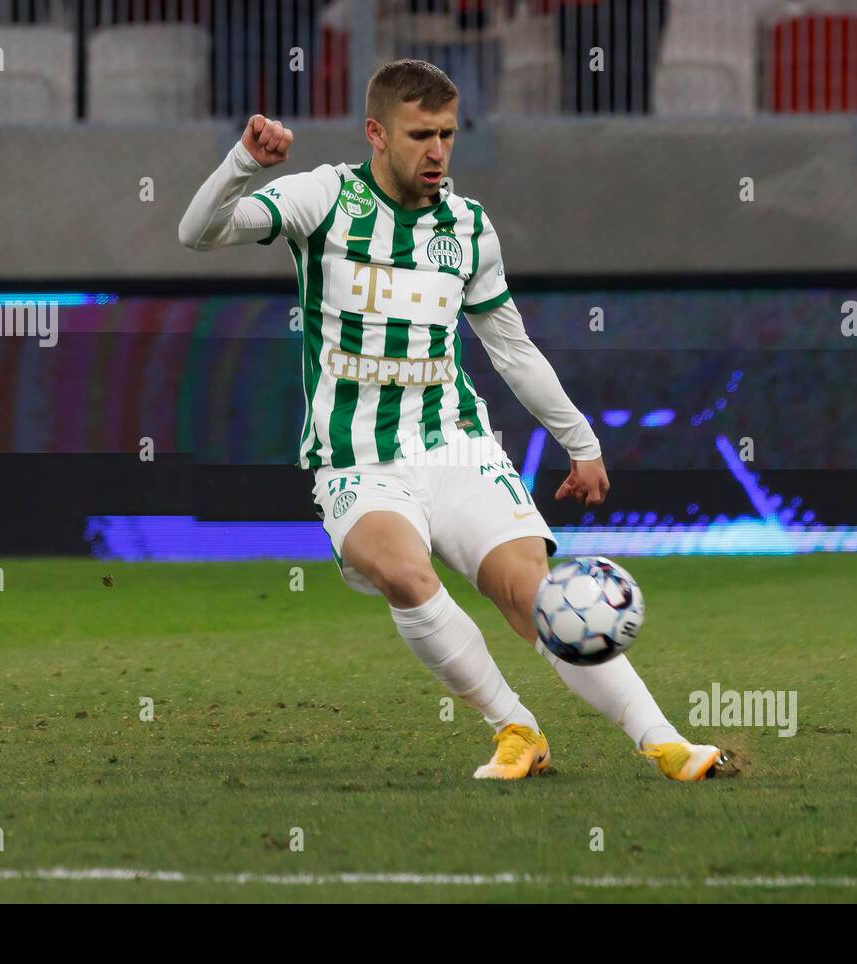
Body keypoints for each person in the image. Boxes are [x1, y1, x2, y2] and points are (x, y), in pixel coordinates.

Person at [179, 58, 729, 783]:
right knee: (403, 571)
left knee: (533, 596)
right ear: (376, 133)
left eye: (447, 134)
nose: (437, 151)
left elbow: (513, 350)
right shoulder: (325, 198)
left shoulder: (467, 227)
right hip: (357, 457)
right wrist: (244, 162)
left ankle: (664, 741)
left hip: (456, 446)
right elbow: (197, 231)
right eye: (419, 135)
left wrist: (581, 442)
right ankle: (514, 727)